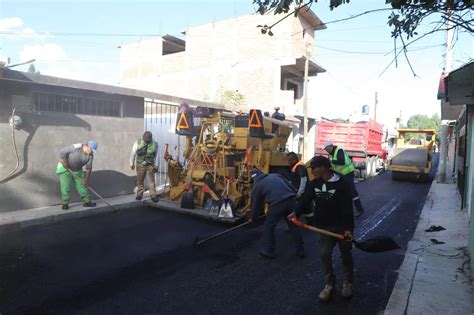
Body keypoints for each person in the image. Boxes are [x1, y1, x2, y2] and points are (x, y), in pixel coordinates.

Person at [289, 156, 355, 302]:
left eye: (314, 168)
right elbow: (306, 199)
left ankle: (348, 282)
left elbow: (347, 208)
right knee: (325, 255)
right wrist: (295, 213)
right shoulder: (315, 183)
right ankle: (329, 285)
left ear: (324, 167)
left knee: (345, 255)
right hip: (323, 227)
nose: (312, 171)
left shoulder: (342, 184)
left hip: (342, 227)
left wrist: (348, 228)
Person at [248, 168, 304, 259]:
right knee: (293, 224)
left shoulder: (257, 186)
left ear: (253, 178)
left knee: (269, 226)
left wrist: (253, 218)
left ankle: (268, 251)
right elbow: (290, 186)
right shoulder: (275, 175)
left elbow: (255, 205)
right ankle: (300, 249)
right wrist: (294, 197)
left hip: (277, 204)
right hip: (291, 200)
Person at [322, 141, 364, 217]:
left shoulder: (339, 151)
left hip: (348, 173)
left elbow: (341, 162)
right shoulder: (330, 155)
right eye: (325, 149)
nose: (326, 150)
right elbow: (332, 166)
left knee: (352, 191)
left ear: (331, 146)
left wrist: (331, 161)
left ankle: (360, 209)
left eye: (326, 148)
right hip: (339, 174)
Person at [56, 141, 98, 210]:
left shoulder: (90, 156)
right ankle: (65, 203)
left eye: (92, 151)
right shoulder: (77, 147)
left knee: (82, 186)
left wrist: (86, 180)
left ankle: (87, 202)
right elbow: (62, 152)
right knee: (65, 186)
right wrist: (65, 162)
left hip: (77, 170)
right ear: (86, 146)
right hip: (65, 168)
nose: (91, 152)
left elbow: (88, 168)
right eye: (90, 149)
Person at [130, 131, 159, 202]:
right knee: (140, 180)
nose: (146, 142)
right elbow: (133, 153)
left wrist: (157, 166)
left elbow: (157, 156)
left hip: (150, 165)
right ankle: (139, 195)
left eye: (148, 141)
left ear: (151, 139)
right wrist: (131, 163)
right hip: (140, 165)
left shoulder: (155, 144)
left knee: (152, 181)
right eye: (145, 140)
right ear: (143, 138)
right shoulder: (138, 143)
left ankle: (153, 195)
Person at [286, 152, 314, 226]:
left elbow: (303, 179)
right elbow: (294, 179)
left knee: (301, 208)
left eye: (289, 160)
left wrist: (299, 192)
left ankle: (294, 224)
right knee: (305, 208)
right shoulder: (295, 166)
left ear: (294, 159)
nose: (288, 162)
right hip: (302, 192)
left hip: (303, 193)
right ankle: (308, 224)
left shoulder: (299, 167)